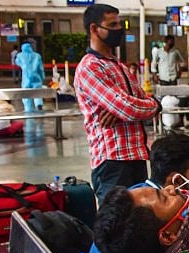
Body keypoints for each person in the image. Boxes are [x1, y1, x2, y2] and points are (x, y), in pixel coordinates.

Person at [74, 4, 161, 204]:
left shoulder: (118, 65)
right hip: (112, 162)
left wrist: (129, 107)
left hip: (135, 156)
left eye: (119, 23)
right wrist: (153, 105)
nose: (119, 29)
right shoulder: (90, 67)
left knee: (138, 223)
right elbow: (128, 108)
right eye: (112, 24)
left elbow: (136, 101)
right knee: (117, 227)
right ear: (95, 29)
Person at [15, 42, 45, 112]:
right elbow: (40, 69)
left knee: (26, 94)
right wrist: (42, 77)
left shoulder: (20, 56)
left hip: (26, 79)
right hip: (36, 78)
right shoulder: (37, 56)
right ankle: (38, 105)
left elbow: (17, 62)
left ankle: (28, 109)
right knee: (37, 93)